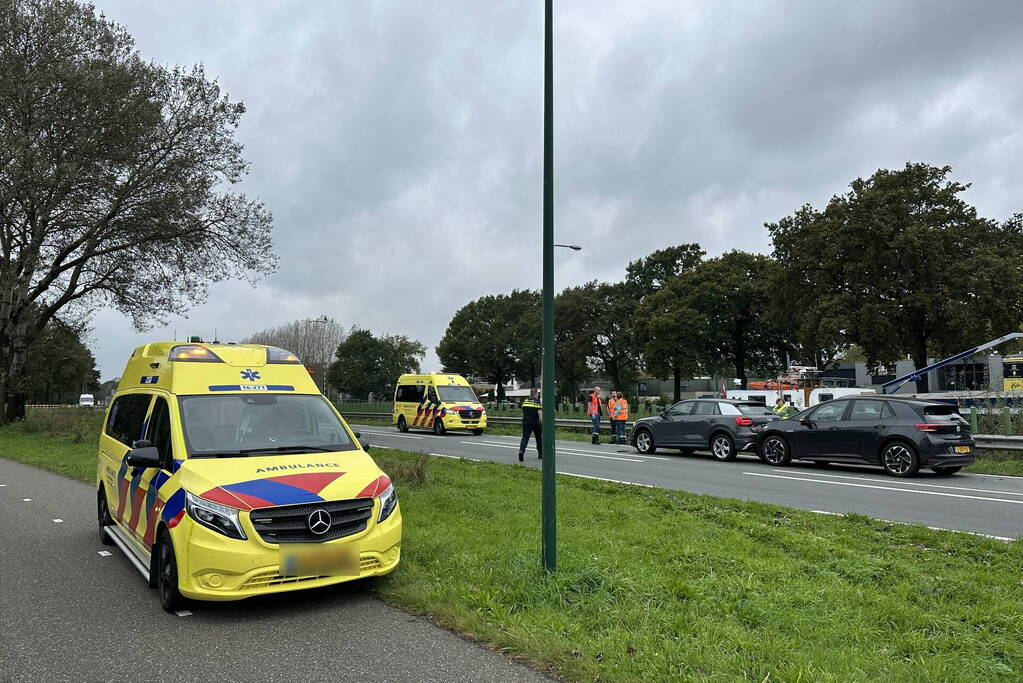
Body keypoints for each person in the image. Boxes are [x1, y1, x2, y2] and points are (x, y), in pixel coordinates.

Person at [518, 388, 542, 462]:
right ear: (535, 393)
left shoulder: (525, 401)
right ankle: (540, 454)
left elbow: (523, 411)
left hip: (526, 422)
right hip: (535, 423)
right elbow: (539, 413)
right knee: (538, 439)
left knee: (525, 438)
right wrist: (541, 422)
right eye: (537, 393)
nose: (538, 395)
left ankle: (521, 451)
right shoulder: (536, 402)